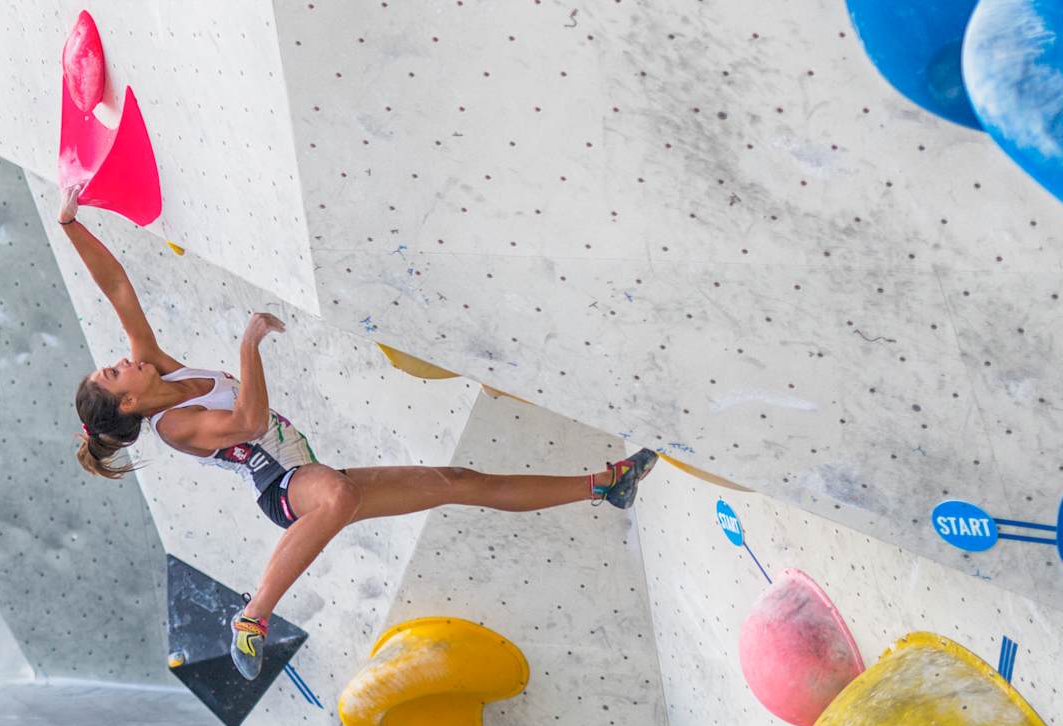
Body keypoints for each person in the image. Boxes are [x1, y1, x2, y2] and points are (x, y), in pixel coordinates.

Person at [60, 185, 659, 680]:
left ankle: (606, 485)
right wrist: (249, 344)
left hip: (311, 475)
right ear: (130, 400)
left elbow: (117, 289)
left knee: (457, 481)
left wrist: (71, 223)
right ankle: (253, 616)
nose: (122, 359)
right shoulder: (175, 426)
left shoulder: (157, 367)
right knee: (339, 497)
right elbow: (249, 424)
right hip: (285, 488)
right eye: (114, 372)